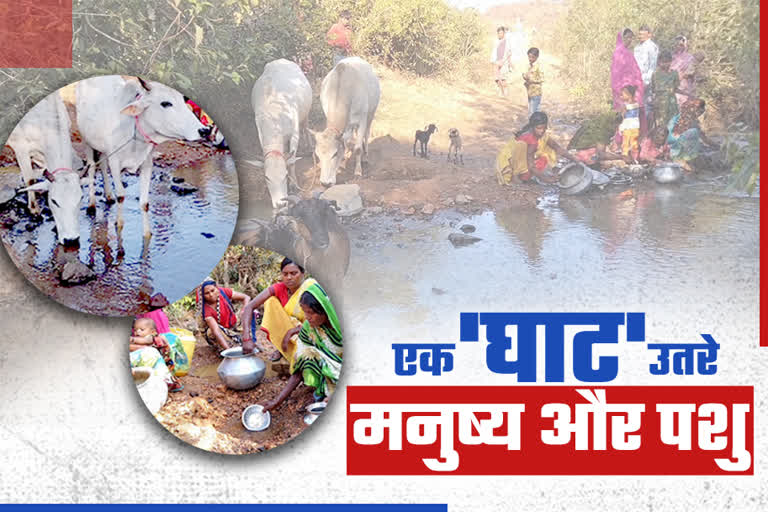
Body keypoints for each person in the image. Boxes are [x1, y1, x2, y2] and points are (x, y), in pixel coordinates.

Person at [261, 283, 342, 412]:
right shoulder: (309, 328)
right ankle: (321, 390)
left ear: (324, 310)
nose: (307, 317)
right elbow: (300, 366)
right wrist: (277, 401)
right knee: (306, 353)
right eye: (304, 312)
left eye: (311, 312)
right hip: (331, 373)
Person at [240, 257, 318, 363]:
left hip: (311, 332)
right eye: (285, 274)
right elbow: (249, 307)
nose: (289, 277)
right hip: (288, 334)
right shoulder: (279, 288)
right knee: (270, 301)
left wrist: (292, 331)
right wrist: (246, 338)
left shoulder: (311, 288)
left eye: (293, 273)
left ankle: (294, 351)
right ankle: (282, 349)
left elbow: (321, 319)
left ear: (303, 273)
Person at [495, 111, 574, 185]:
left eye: (544, 128)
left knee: (547, 150)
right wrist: (547, 179)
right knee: (527, 151)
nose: (542, 131)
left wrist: (574, 159)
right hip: (508, 164)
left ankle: (527, 174)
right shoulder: (529, 138)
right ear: (532, 127)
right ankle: (517, 176)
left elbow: (557, 148)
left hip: (520, 160)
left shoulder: (541, 135)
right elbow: (531, 166)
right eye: (539, 128)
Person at [195, 278, 252, 352]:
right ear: (203, 295)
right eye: (207, 293)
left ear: (217, 288)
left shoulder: (223, 292)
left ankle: (244, 339)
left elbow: (246, 297)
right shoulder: (206, 309)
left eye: (213, 290)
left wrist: (244, 311)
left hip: (233, 325)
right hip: (222, 332)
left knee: (248, 312)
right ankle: (230, 346)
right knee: (211, 332)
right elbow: (216, 331)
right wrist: (229, 351)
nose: (211, 295)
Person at [129, 318, 183, 392]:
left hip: (158, 361)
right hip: (149, 362)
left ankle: (168, 383)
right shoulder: (140, 339)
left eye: (141, 329)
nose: (137, 332)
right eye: (135, 330)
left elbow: (147, 341)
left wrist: (132, 339)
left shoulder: (152, 338)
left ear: (153, 331)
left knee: (161, 373)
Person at [666, 99, 718, 171]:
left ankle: (683, 159)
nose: (699, 115)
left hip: (670, 146)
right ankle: (680, 159)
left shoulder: (677, 117)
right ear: (695, 111)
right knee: (694, 133)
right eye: (699, 113)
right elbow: (704, 139)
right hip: (675, 149)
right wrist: (717, 146)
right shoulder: (690, 122)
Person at [611, 29, 645, 134]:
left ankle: (633, 142)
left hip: (633, 90)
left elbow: (635, 71)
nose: (629, 40)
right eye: (627, 37)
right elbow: (615, 74)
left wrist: (638, 86)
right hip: (623, 91)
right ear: (621, 38)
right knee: (624, 117)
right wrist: (620, 90)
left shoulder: (629, 53)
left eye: (631, 38)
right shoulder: (618, 53)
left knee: (633, 117)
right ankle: (621, 142)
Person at [650, 50, 681, 133]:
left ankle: (671, 143)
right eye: (663, 62)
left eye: (668, 62)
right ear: (659, 62)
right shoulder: (655, 74)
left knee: (673, 123)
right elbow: (653, 89)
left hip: (672, 103)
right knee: (661, 126)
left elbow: (676, 87)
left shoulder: (674, 73)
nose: (665, 64)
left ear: (671, 61)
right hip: (660, 105)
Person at [633, 24, 658, 127]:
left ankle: (647, 132)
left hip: (645, 80)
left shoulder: (652, 47)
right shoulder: (637, 47)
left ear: (649, 35)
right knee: (636, 106)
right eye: (639, 34)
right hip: (635, 80)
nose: (640, 36)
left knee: (646, 107)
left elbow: (653, 65)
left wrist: (647, 81)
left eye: (643, 34)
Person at [670, 35, 697, 108]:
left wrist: (679, 77)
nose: (678, 47)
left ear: (685, 45)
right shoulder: (672, 56)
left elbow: (690, 73)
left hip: (683, 89)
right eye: (676, 45)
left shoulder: (689, 58)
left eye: (681, 45)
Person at [619, 85, 641, 158]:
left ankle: (625, 157)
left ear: (629, 95)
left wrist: (620, 127)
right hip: (635, 127)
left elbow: (623, 117)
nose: (621, 96)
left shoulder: (624, 106)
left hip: (627, 127)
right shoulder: (637, 104)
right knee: (634, 143)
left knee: (625, 143)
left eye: (622, 95)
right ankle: (635, 158)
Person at [490, 26, 513, 97]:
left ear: (504, 33)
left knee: (503, 78)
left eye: (501, 33)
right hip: (496, 62)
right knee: (497, 79)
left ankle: (505, 93)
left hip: (504, 62)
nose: (500, 34)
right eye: (499, 33)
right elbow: (494, 52)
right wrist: (493, 60)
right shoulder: (496, 41)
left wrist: (508, 63)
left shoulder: (507, 42)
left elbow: (509, 53)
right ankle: (500, 91)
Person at [522, 47, 543, 115]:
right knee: (534, 113)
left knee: (532, 114)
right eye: (529, 57)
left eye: (532, 57)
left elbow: (542, 79)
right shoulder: (530, 65)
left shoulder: (539, 66)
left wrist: (531, 79)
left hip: (536, 92)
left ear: (537, 57)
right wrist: (525, 76)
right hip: (530, 92)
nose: (530, 59)